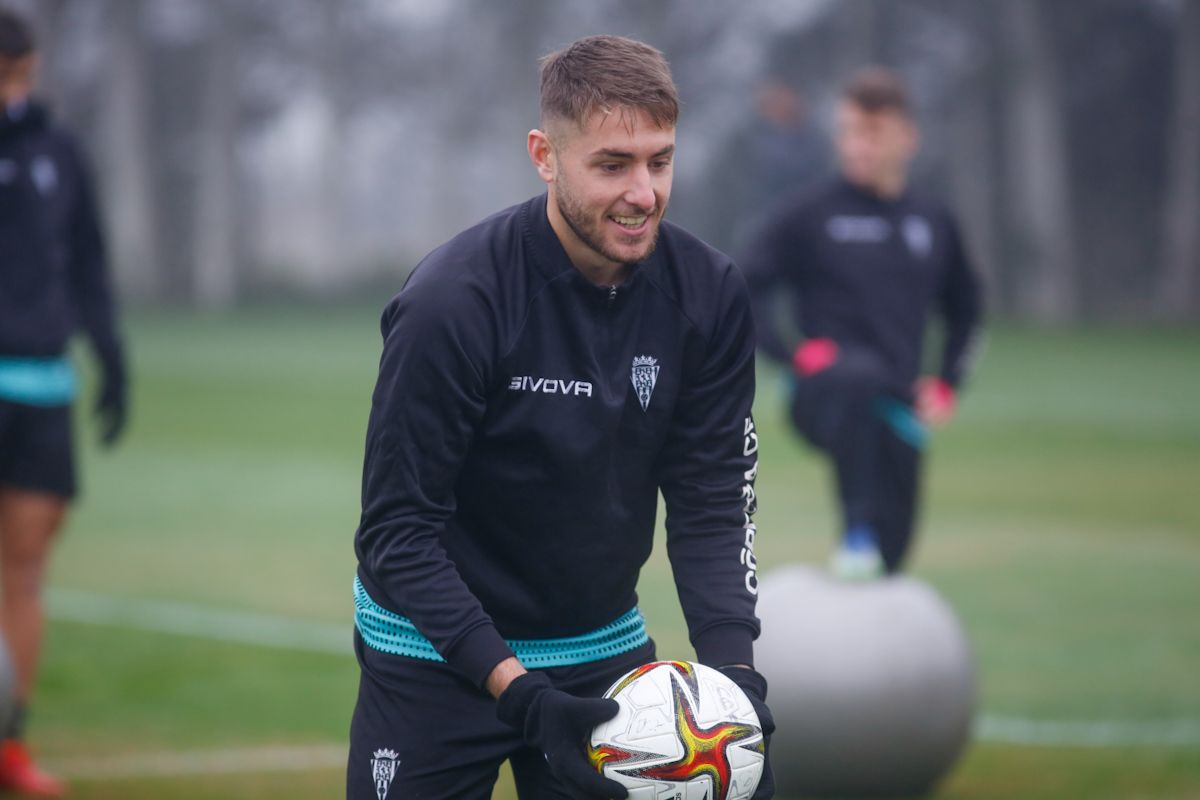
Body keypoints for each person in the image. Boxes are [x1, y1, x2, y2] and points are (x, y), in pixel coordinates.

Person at [348, 35, 774, 800]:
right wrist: (515, 689)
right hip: (430, 657)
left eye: (660, 160)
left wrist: (735, 679)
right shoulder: (455, 303)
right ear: (545, 155)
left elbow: (713, 503)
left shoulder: (707, 295)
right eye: (612, 165)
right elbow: (396, 535)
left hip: (600, 653)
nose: (643, 192)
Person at [742, 67, 983, 579]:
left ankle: (874, 551)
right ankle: (856, 528)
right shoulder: (810, 213)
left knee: (892, 559)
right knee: (857, 371)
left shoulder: (931, 220)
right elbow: (743, 286)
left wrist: (946, 383)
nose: (858, 146)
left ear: (907, 138)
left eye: (872, 133)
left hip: (898, 404)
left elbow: (967, 306)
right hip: (823, 392)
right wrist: (791, 354)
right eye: (849, 131)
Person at [0, 8, 127, 796]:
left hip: (44, 387)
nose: (13, 92)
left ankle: (8, 743)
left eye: (20, 76)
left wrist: (112, 359)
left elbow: (89, 262)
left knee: (25, 569)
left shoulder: (59, 148)